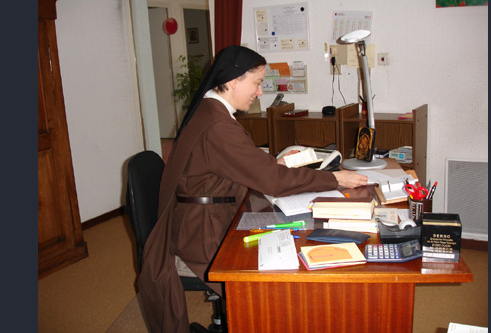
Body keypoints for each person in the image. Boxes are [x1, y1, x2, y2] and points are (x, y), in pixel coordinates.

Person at [137, 45, 368, 333]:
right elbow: (274, 182)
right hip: (203, 231)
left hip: (206, 216)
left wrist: (271, 163)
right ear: (234, 80)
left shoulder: (211, 111)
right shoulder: (217, 125)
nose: (259, 92)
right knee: (276, 277)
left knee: (283, 235)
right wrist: (335, 179)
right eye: (257, 83)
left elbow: (230, 163)